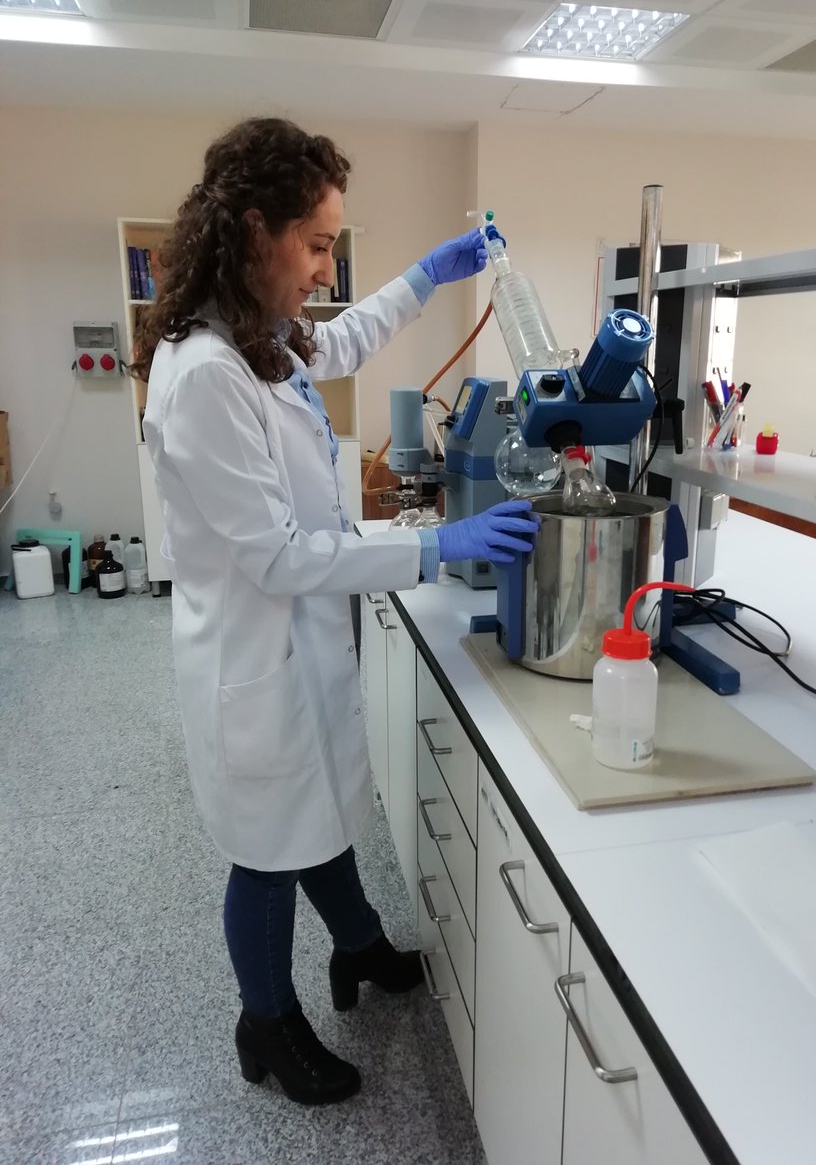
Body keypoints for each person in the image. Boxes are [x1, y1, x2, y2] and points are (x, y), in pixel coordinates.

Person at [132, 117, 538, 1109]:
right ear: (252, 228)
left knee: (319, 816)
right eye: (315, 245)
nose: (324, 267)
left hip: (303, 635)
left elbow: (346, 337)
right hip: (252, 655)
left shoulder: (258, 337)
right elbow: (274, 555)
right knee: (268, 853)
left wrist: (430, 275)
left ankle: (357, 948)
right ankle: (265, 1023)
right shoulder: (204, 376)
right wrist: (433, 545)